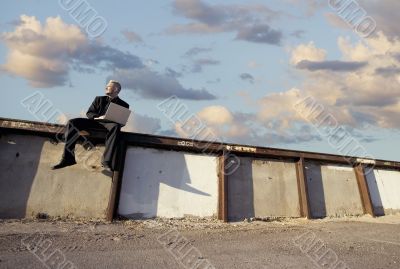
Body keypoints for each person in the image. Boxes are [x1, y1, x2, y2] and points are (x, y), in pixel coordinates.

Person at [52, 80, 129, 171]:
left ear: (116, 89)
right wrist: (98, 117)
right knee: (72, 122)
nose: (105, 88)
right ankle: (68, 158)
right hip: (95, 122)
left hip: (110, 124)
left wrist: (114, 121)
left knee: (116, 127)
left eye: (108, 86)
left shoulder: (124, 104)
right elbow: (89, 113)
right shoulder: (99, 99)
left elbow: (121, 121)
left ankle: (106, 161)